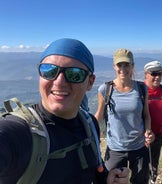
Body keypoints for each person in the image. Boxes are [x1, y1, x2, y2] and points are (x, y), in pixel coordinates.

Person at [0, 38, 129, 184]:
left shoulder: (89, 125)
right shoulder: (19, 132)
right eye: (49, 70)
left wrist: (107, 179)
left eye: (74, 74)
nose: (59, 82)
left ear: (90, 82)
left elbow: (92, 172)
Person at [95, 48, 155, 184]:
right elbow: (98, 116)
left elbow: (146, 115)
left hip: (139, 147)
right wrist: (91, 136)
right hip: (115, 148)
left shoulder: (141, 88)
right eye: (119, 65)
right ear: (114, 66)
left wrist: (148, 131)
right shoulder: (105, 89)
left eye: (126, 65)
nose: (123, 68)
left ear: (132, 66)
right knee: (111, 181)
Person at [143, 60, 162, 183]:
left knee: (153, 168)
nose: (157, 77)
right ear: (146, 74)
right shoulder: (140, 90)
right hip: (141, 137)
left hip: (157, 136)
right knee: (140, 169)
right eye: (153, 73)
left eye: (159, 74)